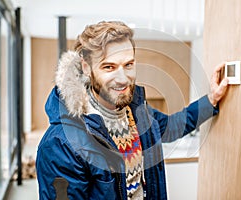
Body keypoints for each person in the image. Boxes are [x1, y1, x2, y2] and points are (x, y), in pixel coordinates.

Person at [36, 21, 228, 200]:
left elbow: (172, 126)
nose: (122, 78)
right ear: (86, 67)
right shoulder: (60, 143)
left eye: (128, 65)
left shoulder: (138, 111)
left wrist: (211, 99)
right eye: (109, 67)